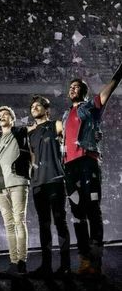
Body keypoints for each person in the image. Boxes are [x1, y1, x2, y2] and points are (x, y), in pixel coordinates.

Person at [62, 60, 122, 275]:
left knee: (93, 210)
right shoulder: (65, 114)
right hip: (70, 167)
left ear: (84, 92)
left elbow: (112, 85)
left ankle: (96, 261)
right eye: (70, 87)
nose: (72, 89)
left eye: (76, 86)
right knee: (78, 215)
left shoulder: (91, 107)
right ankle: (84, 259)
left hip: (88, 161)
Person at [28, 95, 71, 279]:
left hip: (55, 180)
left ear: (47, 110)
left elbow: (71, 136)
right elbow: (32, 159)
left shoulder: (56, 125)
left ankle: (65, 266)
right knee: (43, 226)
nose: (35, 108)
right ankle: (46, 266)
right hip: (38, 184)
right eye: (33, 106)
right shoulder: (30, 133)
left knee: (60, 223)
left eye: (39, 105)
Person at [0, 106, 32, 277]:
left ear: (13, 119)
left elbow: (34, 127)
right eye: (0, 115)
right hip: (0, 186)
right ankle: (13, 262)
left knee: (20, 221)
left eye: (6, 114)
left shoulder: (20, 132)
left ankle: (22, 262)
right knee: (8, 225)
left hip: (18, 181)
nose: (2, 116)